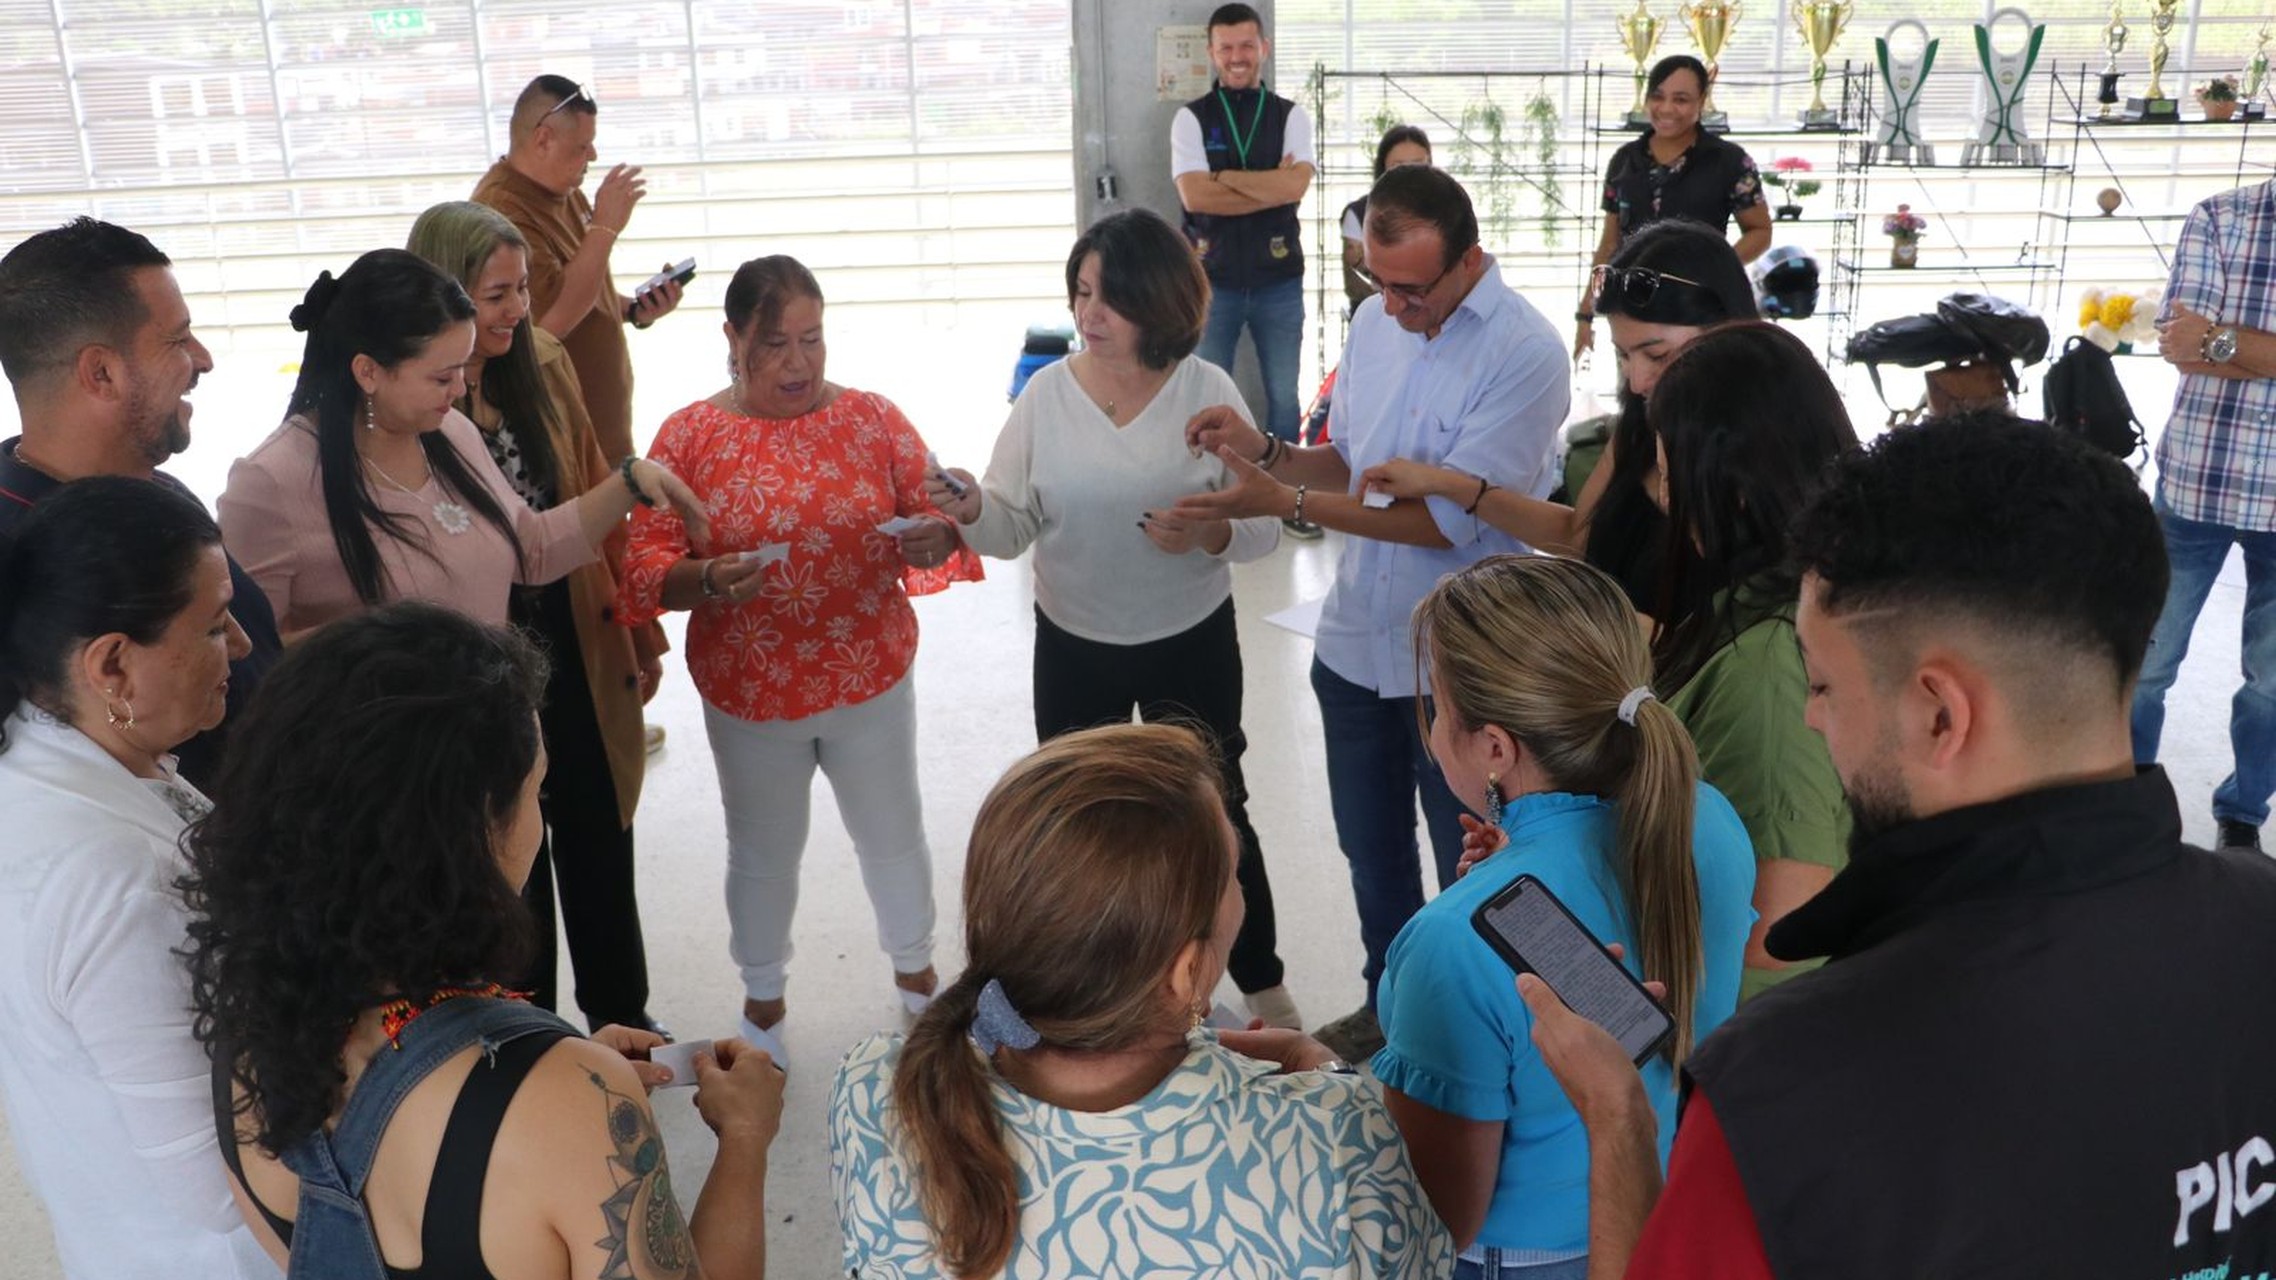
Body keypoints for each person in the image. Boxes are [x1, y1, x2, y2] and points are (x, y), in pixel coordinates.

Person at [1519, 412, 2276, 1280]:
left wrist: (1619, 1121)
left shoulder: (1788, 1089)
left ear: (1938, 714)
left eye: (1824, 680)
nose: (1812, 714)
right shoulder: (2263, 916)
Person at [183, 602, 783, 1280]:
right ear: (470, 839)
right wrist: (745, 1138)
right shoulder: (574, 1102)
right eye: (536, 790)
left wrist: (551, 1072)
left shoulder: (246, 1022)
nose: (540, 817)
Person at [1171, 164, 1567, 1063]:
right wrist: (1266, 452)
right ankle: (1391, 1006)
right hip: (1354, 644)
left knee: (1470, 861)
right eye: (1375, 282)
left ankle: (1475, 1034)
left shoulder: (1525, 352)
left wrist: (1287, 505)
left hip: (1456, 665)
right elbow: (1349, 460)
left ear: (1470, 261)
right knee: (1370, 853)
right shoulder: (1373, 321)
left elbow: (1443, 520)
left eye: (1412, 290)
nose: (1390, 307)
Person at [830, 722, 1454, 1279]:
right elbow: (1427, 1258)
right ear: (1186, 975)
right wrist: (1323, 1072)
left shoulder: (878, 1091)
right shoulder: (1333, 1136)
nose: (1240, 888)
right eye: (1234, 875)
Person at [926, 208, 1300, 1030]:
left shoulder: (1208, 391)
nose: (1087, 315)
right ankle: (1081, 986)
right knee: (1076, 821)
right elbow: (1010, 527)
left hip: (1190, 642)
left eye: (1109, 299)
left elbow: (1267, 525)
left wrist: (1209, 531)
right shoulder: (1048, 396)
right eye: (1081, 293)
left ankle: (1265, 987)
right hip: (1076, 644)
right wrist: (970, 507)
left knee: (1218, 812)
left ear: (1160, 305)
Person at [618, 255, 979, 1067]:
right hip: (751, 692)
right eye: (775, 344)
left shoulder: (871, 418)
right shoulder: (689, 436)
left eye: (812, 340)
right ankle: (763, 1003)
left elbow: (934, 503)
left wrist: (935, 529)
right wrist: (707, 578)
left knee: (892, 834)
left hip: (867, 674)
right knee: (762, 850)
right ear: (733, 338)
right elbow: (644, 566)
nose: (798, 364)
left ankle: (919, 980)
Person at [1371, 555, 1755, 1277]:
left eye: (1436, 707)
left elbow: (1433, 1223)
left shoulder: (1452, 941)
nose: (1429, 728)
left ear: (1493, 749)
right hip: (1670, 1209)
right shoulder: (1707, 819)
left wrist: (1317, 1077)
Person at [406, 200, 668, 1034]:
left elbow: (592, 487)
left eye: (521, 289)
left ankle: (624, 1019)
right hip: (480, 652)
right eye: (494, 294)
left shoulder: (544, 358)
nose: (516, 310)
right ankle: (535, 1041)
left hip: (569, 625)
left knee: (599, 824)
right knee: (511, 859)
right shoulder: (409, 399)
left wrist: (638, 625)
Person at [0, 479, 265, 1280]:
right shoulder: (118, 880)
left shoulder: (41, 755)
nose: (244, 647)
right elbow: (222, 1187)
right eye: (216, 625)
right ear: (112, 665)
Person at [217, 248, 706, 643]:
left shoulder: (449, 431)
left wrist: (630, 480)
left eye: (462, 369)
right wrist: (374, 639)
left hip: (484, 726)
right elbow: (245, 655)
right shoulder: (270, 482)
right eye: (442, 376)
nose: (460, 390)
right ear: (368, 371)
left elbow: (531, 549)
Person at [0, 217, 282, 790]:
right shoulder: (16, 553)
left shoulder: (157, 493)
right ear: (102, 372)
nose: (203, 360)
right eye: (178, 340)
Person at [1364, 217, 1754, 612]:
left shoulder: (1769, 451)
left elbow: (1753, 639)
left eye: (1658, 355)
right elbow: (1577, 536)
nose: (1636, 381)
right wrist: (1448, 484)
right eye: (1622, 356)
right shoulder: (1640, 425)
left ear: (1729, 329)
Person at [1643, 322, 1856, 999]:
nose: (1663, 496)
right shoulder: (1805, 594)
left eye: (1673, 475)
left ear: (1735, 487)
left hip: (1735, 1032)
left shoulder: (1767, 668)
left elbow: (1778, 922)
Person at [2131, 173, 2276, 853]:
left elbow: (2204, 342)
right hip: (2198, 482)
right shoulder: (2222, 216)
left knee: (2272, 688)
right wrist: (2224, 347)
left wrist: (2223, 340)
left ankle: (2242, 815)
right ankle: (2125, 805)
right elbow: (2180, 347)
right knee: (2143, 662)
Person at [472, 74, 681, 466]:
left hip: (604, 430)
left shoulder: (565, 192)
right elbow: (552, 321)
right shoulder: (502, 212)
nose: (593, 157)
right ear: (543, 139)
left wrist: (634, 310)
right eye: (582, 146)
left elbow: (584, 288)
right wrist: (605, 228)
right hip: (560, 441)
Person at [1172, 3, 1319, 537]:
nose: (1237, 57)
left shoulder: (1290, 115)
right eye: (1226, 47)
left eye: (1246, 46)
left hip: (1280, 282)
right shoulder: (1191, 117)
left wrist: (1224, 181)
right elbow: (1192, 195)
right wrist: (1265, 184)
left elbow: (1296, 188)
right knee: (1210, 397)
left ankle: (1289, 504)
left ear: (1264, 48)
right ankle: (1221, 497)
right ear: (1212, 52)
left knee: (1284, 396)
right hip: (1211, 286)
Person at [1579, 55, 1770, 360]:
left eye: (1680, 99)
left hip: (1699, 312)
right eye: (1657, 96)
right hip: (1633, 310)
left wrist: (1717, 268)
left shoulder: (1730, 161)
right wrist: (1586, 314)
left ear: (1702, 100)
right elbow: (1609, 243)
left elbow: (1760, 230)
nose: (1666, 109)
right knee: (1639, 391)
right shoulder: (1624, 161)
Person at [1341, 125, 1431, 311]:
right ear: (1382, 167)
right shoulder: (1358, 213)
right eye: (1398, 166)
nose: (1409, 173)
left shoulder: (1449, 209)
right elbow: (1356, 283)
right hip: (1377, 312)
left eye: (1418, 164)